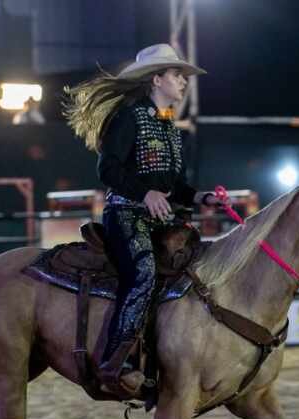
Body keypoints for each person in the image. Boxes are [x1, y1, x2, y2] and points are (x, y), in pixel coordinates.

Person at [63, 43, 225, 396]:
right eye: (176, 75)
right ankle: (116, 360)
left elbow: (175, 185)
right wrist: (144, 194)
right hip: (125, 214)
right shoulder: (129, 117)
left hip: (161, 219)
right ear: (156, 79)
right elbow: (107, 168)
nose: (183, 81)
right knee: (143, 273)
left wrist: (201, 197)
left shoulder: (170, 127)